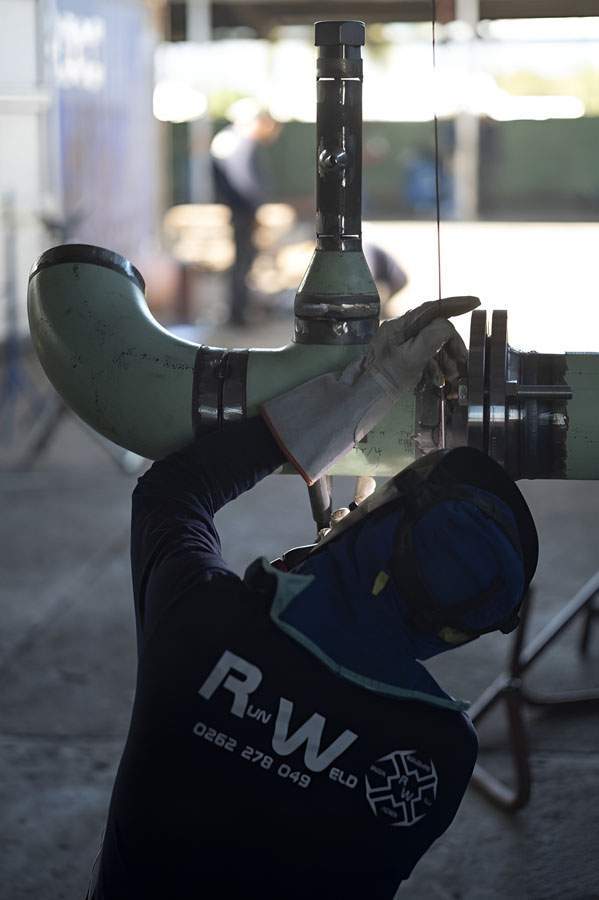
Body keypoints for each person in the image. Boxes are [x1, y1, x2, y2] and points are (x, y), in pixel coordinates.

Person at [86, 298, 537, 899]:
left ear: (371, 533)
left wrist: (360, 392)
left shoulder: (205, 622)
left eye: (371, 503)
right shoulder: (439, 758)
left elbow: (172, 493)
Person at [210, 101, 281, 326]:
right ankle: (237, 313)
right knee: (242, 261)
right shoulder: (239, 143)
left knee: (243, 261)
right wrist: (255, 209)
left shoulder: (230, 141)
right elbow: (243, 183)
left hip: (239, 211)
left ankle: (239, 310)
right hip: (242, 212)